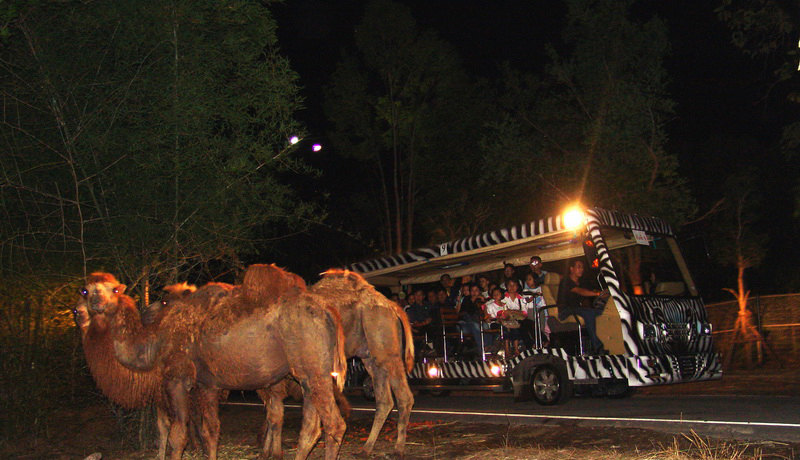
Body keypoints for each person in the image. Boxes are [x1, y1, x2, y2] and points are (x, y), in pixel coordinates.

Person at [556, 259, 609, 353]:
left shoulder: (582, 282)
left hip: (577, 309)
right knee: (589, 313)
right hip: (565, 311)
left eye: (582, 267)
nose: (581, 269)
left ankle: (608, 341)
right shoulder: (566, 281)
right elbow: (581, 291)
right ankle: (598, 346)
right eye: (578, 267)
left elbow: (591, 291)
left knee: (602, 312)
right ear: (572, 269)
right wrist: (597, 294)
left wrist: (602, 293)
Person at [500, 279, 530, 353]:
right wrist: (515, 311)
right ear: (506, 287)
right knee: (506, 328)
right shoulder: (503, 298)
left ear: (517, 287)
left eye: (514, 285)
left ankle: (516, 349)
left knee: (517, 327)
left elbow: (525, 313)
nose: (512, 287)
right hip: (506, 320)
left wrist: (512, 311)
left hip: (517, 320)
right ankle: (507, 349)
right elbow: (503, 311)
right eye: (510, 285)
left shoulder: (520, 298)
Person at [405, 288, 437, 354]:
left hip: (428, 326)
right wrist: (424, 322)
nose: (418, 297)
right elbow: (414, 322)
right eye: (416, 295)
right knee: (429, 328)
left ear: (423, 296)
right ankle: (430, 347)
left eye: (420, 295)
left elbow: (432, 316)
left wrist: (430, 320)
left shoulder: (428, 305)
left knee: (436, 327)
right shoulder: (412, 308)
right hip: (418, 328)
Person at [455, 284, 484, 353]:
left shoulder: (480, 299)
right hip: (465, 322)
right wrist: (473, 301)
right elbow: (466, 312)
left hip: (476, 321)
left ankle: (488, 346)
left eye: (476, 290)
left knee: (484, 326)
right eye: (472, 291)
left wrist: (481, 301)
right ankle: (482, 349)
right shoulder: (466, 299)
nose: (474, 292)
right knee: (475, 326)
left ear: (479, 292)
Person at [522, 272, 549, 346]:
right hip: (531, 310)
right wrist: (534, 296)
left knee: (541, 325)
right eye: (526, 280)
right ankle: (536, 342)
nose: (528, 281)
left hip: (541, 309)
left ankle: (543, 342)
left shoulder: (541, 288)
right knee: (533, 327)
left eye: (530, 279)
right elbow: (526, 300)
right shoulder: (525, 291)